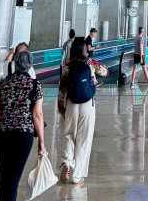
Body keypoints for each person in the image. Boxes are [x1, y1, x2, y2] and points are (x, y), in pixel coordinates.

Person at [0, 50, 44, 201]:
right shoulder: (35, 85)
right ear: (30, 65)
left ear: (15, 63)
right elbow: (37, 115)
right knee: (12, 180)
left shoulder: (4, 83)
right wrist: (41, 142)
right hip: (23, 136)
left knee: (6, 178)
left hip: (1, 134)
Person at [58, 37, 96, 186]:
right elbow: (97, 79)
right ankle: (77, 175)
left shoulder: (68, 65)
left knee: (69, 134)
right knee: (84, 139)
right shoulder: (90, 64)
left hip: (71, 103)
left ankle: (66, 163)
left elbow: (62, 88)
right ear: (84, 49)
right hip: (87, 104)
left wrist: (61, 105)